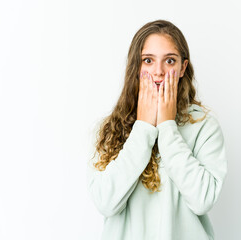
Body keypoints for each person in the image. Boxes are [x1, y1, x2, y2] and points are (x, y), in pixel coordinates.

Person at [86, 19, 227, 240]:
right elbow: (105, 202)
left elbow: (203, 200)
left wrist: (167, 126)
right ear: (136, 66)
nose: (159, 72)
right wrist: (143, 127)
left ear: (182, 68)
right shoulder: (110, 127)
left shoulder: (204, 126)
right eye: (148, 60)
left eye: (169, 60)